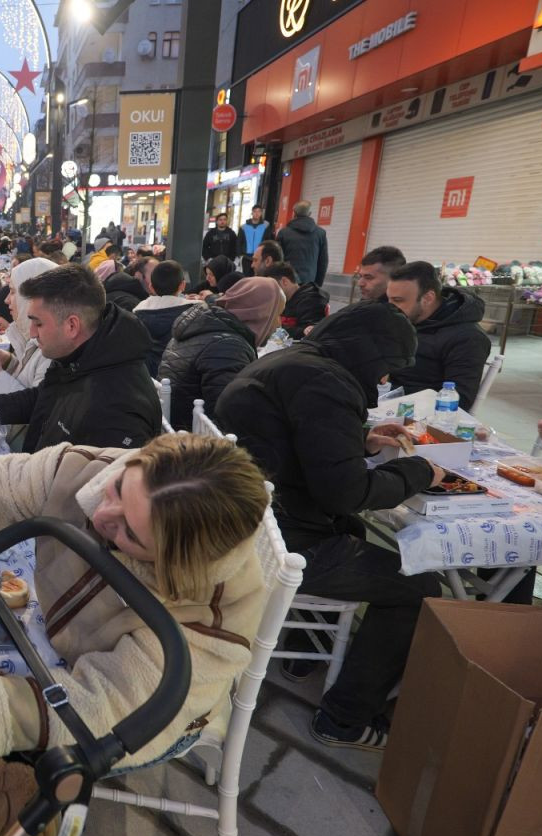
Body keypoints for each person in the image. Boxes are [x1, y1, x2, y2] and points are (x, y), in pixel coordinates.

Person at [0, 432, 269, 776]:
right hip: (61, 640)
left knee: (29, 753)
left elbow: (110, 706)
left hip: (153, 717)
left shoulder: (213, 618)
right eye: (118, 488)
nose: (103, 516)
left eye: (130, 535)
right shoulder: (87, 470)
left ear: (174, 562)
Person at [217, 302, 445, 750]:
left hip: (249, 522)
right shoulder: (327, 381)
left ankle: (304, 652)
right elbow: (345, 493)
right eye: (384, 372)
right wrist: (419, 472)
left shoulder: (291, 361)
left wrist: (359, 439)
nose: (383, 382)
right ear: (369, 354)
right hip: (281, 544)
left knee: (352, 533)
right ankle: (344, 717)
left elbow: (289, 433)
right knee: (420, 586)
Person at [0, 264, 161, 452]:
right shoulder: (79, 358)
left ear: (72, 326)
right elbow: (39, 399)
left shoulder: (116, 408)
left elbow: (90, 479)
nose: (33, 333)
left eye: (39, 323)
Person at [158, 277, 284, 429]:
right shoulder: (229, 346)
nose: (279, 323)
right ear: (260, 312)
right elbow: (229, 415)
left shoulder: (209, 325)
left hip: (177, 427)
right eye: (277, 313)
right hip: (194, 439)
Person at [0, 258, 57, 451]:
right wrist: (9, 362)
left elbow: (32, 407)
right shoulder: (31, 338)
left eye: (12, 291)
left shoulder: (52, 347)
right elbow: (28, 381)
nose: (6, 300)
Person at [386, 261, 491, 411]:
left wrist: (390, 393)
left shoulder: (468, 338)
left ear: (428, 298)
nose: (390, 307)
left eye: (398, 301)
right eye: (389, 299)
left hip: (415, 416)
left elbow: (459, 401)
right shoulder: (408, 319)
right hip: (387, 401)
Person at [135, 260, 191, 377]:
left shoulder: (137, 313)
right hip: (182, 378)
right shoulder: (195, 313)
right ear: (183, 285)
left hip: (147, 380)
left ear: (151, 287)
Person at [276, 201, 329, 288]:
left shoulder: (283, 233)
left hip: (286, 282)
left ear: (294, 213)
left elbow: (277, 259)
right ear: (310, 214)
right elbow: (323, 262)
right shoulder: (320, 233)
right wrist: (317, 285)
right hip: (309, 283)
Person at [273, 261, 329, 340]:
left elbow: (309, 333)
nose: (270, 291)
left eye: (272, 286)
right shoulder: (283, 298)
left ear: (284, 281)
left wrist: (276, 327)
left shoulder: (312, 300)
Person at [238, 205, 275, 273]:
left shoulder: (266, 226)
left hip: (260, 256)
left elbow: (268, 240)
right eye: (255, 211)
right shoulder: (244, 227)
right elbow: (239, 241)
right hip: (246, 257)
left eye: (259, 211)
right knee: (245, 277)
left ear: (261, 213)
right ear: (252, 213)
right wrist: (239, 254)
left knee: (257, 275)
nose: (257, 213)